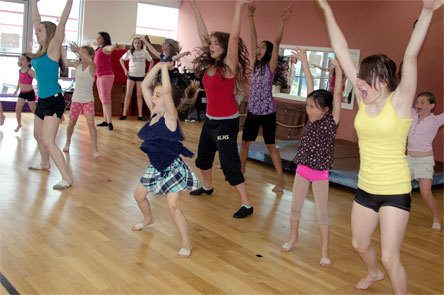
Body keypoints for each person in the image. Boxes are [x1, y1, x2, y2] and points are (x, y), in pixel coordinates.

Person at [317, 0, 443, 292]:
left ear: (385, 81)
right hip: (366, 188)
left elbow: (410, 56)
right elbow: (340, 49)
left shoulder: (399, 102)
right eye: (359, 79)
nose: (359, 84)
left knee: (390, 256)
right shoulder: (364, 98)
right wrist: (326, 10)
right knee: (359, 244)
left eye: (366, 80)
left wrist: (426, 12)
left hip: (395, 191)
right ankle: (373, 273)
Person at [189, 0, 253, 218]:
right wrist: (195, 7)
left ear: (225, 48)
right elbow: (202, 33)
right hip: (210, 120)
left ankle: (247, 204)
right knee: (203, 159)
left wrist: (238, 6)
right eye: (211, 44)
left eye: (216, 44)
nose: (211, 45)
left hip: (226, 122)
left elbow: (234, 37)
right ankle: (207, 187)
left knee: (229, 165)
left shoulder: (228, 67)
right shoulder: (210, 65)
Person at [281, 48, 342, 268]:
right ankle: (293, 237)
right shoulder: (311, 119)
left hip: (320, 173)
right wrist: (305, 62)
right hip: (302, 169)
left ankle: (325, 251)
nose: (308, 110)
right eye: (307, 106)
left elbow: (336, 95)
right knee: (295, 207)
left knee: (321, 213)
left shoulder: (331, 121)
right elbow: (309, 85)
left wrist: (339, 70)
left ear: (325, 110)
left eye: (313, 107)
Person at [132, 62, 200, 259]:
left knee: (173, 207)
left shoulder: (171, 117)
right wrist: (159, 65)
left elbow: (168, 92)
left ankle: (186, 242)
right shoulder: (154, 113)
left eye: (157, 96)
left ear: (168, 101)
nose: (153, 98)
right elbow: (145, 85)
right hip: (155, 166)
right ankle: (148, 218)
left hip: (173, 169)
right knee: (138, 196)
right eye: (154, 95)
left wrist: (164, 70)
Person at [240, 3, 292, 192]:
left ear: (268, 52)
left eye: (263, 47)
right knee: (245, 143)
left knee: (271, 146)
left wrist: (282, 21)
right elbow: (252, 38)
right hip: (253, 111)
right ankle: (241, 172)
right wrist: (250, 17)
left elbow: (277, 42)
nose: (259, 48)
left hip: (268, 112)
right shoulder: (255, 64)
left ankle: (281, 181)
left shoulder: (270, 67)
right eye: (259, 47)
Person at [28, 0, 73, 190]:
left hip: (54, 100)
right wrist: (34, 3)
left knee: (48, 140)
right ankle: (45, 163)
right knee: (37, 135)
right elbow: (36, 20)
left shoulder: (53, 49)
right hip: (42, 100)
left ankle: (66, 177)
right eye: (36, 30)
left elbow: (62, 23)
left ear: (49, 33)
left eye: (40, 31)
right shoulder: (40, 52)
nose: (36, 32)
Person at [407, 91, 443, 231]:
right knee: (403, 190)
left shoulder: (435, 120)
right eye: (417, 102)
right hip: (409, 159)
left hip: (424, 161)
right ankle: (400, 214)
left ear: (431, 106)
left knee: (425, 193)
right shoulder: (412, 114)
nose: (418, 104)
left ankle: (437, 217)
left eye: (423, 102)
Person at [63, 43, 100, 159]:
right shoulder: (77, 64)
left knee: (90, 124)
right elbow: (64, 61)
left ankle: (95, 149)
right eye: (80, 53)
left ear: (90, 55)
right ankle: (67, 142)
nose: (80, 55)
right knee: (71, 124)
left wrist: (78, 50)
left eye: (84, 53)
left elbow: (90, 61)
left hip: (88, 100)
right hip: (76, 100)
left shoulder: (92, 66)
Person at [119, 37, 154, 121]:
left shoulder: (144, 52)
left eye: (138, 43)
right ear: (133, 44)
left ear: (141, 44)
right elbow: (121, 59)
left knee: (139, 95)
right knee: (128, 94)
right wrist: (125, 69)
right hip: (131, 76)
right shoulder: (130, 52)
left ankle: (140, 115)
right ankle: (124, 114)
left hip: (140, 77)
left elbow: (152, 61)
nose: (137, 44)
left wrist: (148, 72)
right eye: (135, 43)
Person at [95, 31, 118, 130]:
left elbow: (110, 48)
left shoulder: (105, 48)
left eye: (99, 38)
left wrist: (114, 45)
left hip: (106, 76)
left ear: (104, 39)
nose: (97, 39)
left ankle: (110, 123)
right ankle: (105, 121)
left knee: (105, 99)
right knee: (102, 98)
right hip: (99, 76)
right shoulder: (99, 48)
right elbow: (92, 44)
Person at [13, 53, 36, 132]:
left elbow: (38, 78)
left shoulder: (30, 71)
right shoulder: (20, 70)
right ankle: (19, 124)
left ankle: (40, 123)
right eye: (20, 59)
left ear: (29, 62)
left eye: (23, 59)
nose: (20, 61)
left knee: (34, 111)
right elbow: (19, 81)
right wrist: (16, 89)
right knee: (17, 109)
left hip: (29, 93)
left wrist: (39, 87)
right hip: (22, 93)